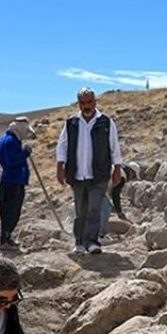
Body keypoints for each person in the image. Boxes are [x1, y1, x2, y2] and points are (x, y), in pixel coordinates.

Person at [56, 87, 122, 255]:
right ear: (79, 104)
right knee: (80, 210)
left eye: (89, 102)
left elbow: (114, 147)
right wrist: (60, 167)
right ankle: (79, 242)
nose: (86, 106)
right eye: (83, 103)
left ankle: (92, 241)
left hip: (98, 174)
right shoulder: (71, 123)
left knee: (94, 208)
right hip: (77, 173)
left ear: (95, 102)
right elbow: (62, 146)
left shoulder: (106, 122)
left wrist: (117, 168)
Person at [0, 117, 35, 251]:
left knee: (8, 210)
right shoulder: (11, 142)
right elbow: (11, 161)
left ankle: (7, 238)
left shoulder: (5, 140)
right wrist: (25, 153)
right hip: (13, 181)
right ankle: (5, 239)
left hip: (10, 180)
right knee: (11, 211)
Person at [96, 160, 137, 243]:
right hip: (98, 186)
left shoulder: (115, 167)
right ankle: (99, 236)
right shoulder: (122, 175)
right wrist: (119, 212)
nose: (131, 178)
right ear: (131, 171)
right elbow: (115, 195)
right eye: (133, 176)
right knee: (107, 208)